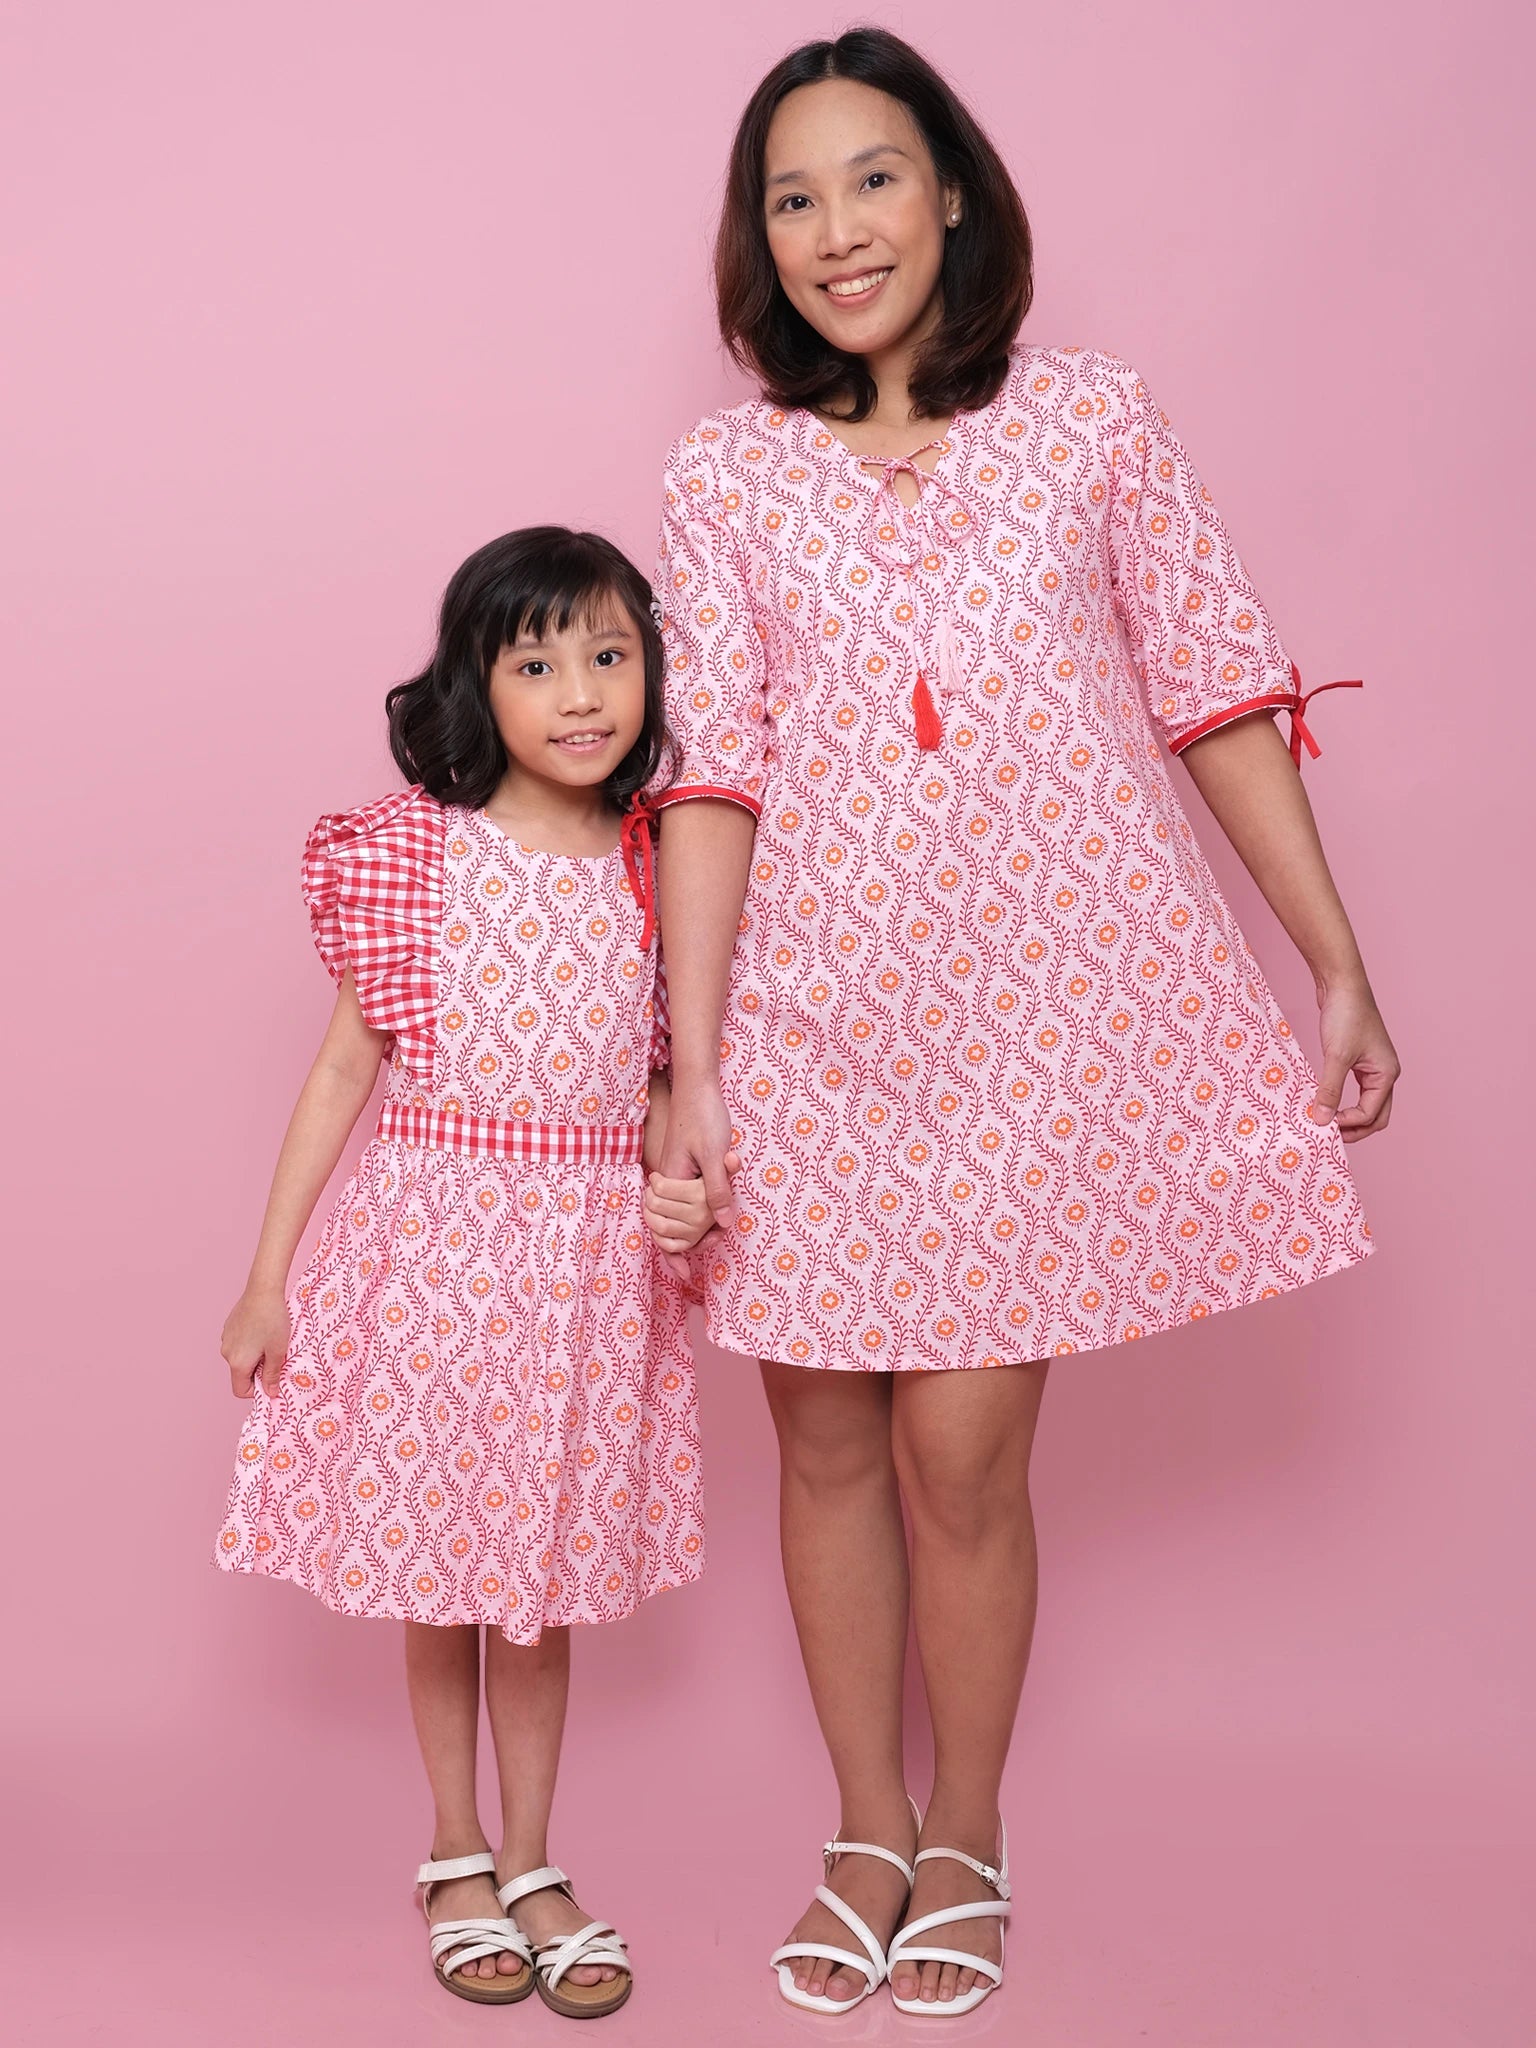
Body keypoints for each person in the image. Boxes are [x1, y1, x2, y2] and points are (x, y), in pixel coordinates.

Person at [647, 27, 1399, 2019]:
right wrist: (696, 1062)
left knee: (963, 1459)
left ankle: (964, 1825)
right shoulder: (722, 476)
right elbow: (709, 773)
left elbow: (1213, 691)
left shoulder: (1092, 424)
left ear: (954, 190)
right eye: (791, 199)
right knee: (821, 1444)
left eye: (872, 180)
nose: (835, 232)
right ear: (761, 240)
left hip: (1036, 1031)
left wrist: (1332, 955)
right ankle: (863, 1826)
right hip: (806, 1024)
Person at [216, 527, 719, 2019]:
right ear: (476, 683)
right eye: (537, 660)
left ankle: (536, 1853)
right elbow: (338, 1077)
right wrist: (268, 1277)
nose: (582, 692)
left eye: (610, 655)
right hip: (431, 1244)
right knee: (442, 1576)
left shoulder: (654, 862)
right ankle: (453, 1853)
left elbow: (649, 1084)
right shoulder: (419, 854)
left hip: (579, 1266)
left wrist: (673, 1185)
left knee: (538, 1583)